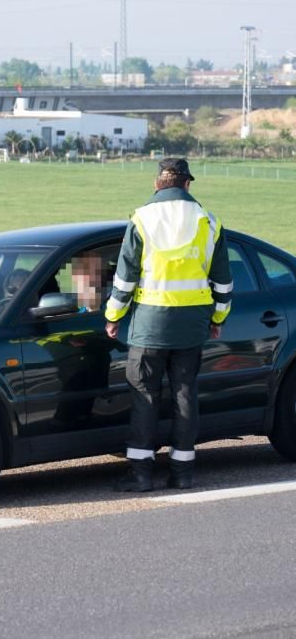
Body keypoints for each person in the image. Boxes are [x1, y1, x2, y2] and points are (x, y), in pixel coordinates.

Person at [105, 158, 233, 492]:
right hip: (192, 326)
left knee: (145, 394)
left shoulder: (142, 218)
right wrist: (217, 319)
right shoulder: (208, 221)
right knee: (184, 393)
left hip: (150, 324)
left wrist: (113, 316)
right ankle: (182, 473)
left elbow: (125, 278)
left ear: (157, 183)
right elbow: (223, 283)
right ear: (187, 184)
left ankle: (141, 474)